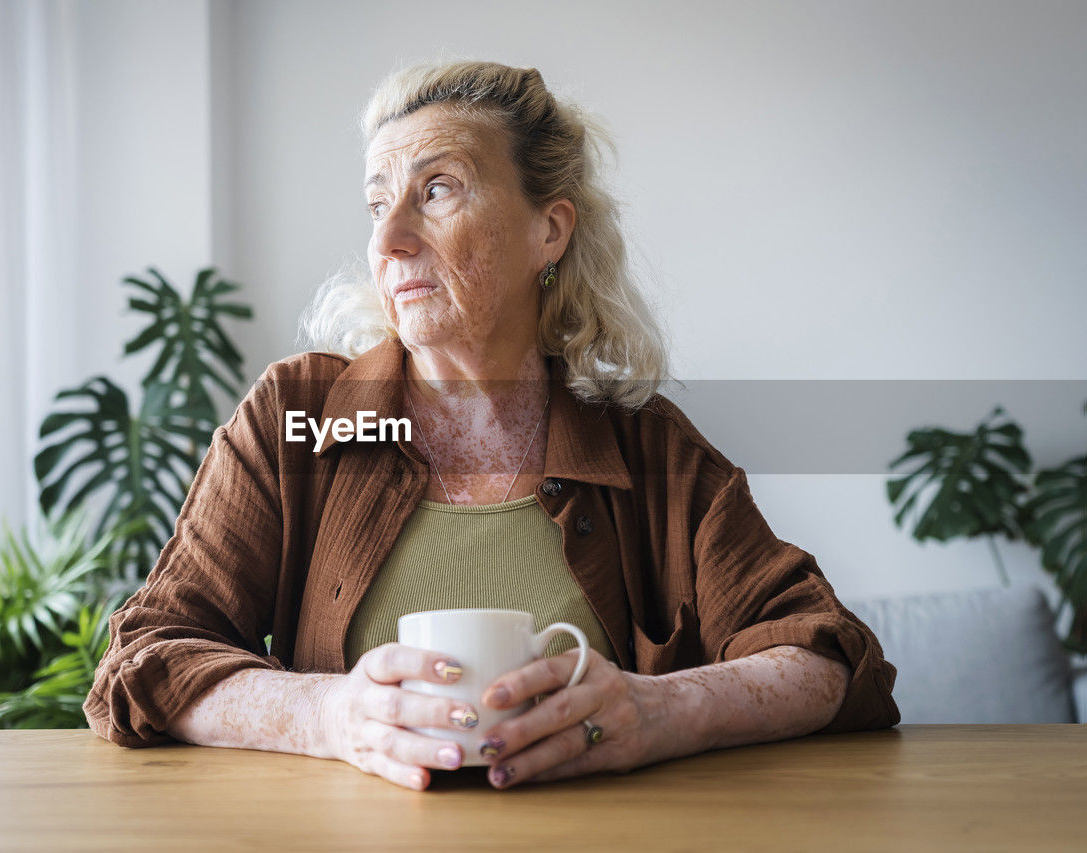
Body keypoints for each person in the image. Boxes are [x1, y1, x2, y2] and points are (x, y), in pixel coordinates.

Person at [83, 60, 899, 792]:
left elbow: (829, 656)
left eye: (436, 189)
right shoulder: (296, 416)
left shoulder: (647, 445)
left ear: (550, 229)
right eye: (376, 202)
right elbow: (147, 657)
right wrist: (325, 713)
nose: (389, 237)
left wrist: (662, 709)